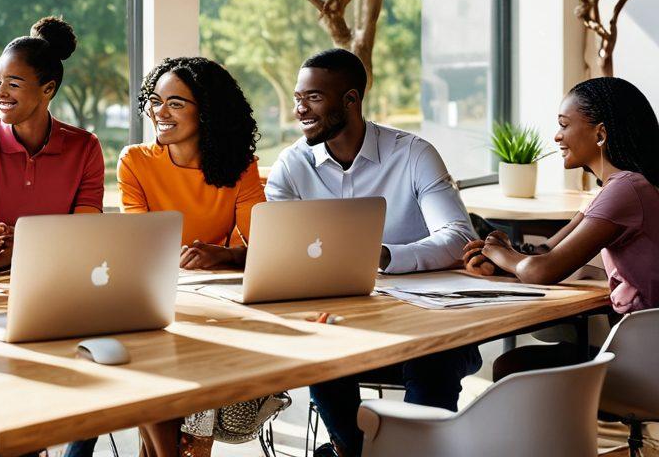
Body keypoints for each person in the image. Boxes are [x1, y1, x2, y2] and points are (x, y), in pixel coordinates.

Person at [266, 48, 479, 457]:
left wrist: (382, 256)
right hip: (341, 327)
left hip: (425, 327)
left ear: (351, 100)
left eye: (313, 98)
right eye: (297, 97)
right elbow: (281, 253)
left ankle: (408, 451)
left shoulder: (413, 154)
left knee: (432, 359)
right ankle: (355, 450)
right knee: (320, 352)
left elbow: (457, 236)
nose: (300, 110)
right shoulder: (291, 167)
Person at [463, 76, 659, 379]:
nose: (556, 136)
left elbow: (544, 269)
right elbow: (547, 249)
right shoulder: (620, 188)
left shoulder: (626, 190)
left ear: (600, 134)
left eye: (564, 125)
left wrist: (496, 251)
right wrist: (502, 260)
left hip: (646, 361)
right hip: (644, 348)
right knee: (514, 365)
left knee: (513, 368)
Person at [119, 56, 265, 457]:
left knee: (202, 350)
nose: (159, 112)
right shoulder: (135, 162)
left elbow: (265, 250)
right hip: (153, 298)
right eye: (154, 100)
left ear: (208, 112)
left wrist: (221, 256)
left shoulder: (241, 168)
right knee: (149, 351)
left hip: (213, 303)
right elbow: (138, 245)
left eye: (175, 103)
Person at [0, 16, 104, 280]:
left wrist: (17, 244)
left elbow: (84, 235)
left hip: (62, 279)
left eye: (13, 84)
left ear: (48, 89)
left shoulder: (85, 148)